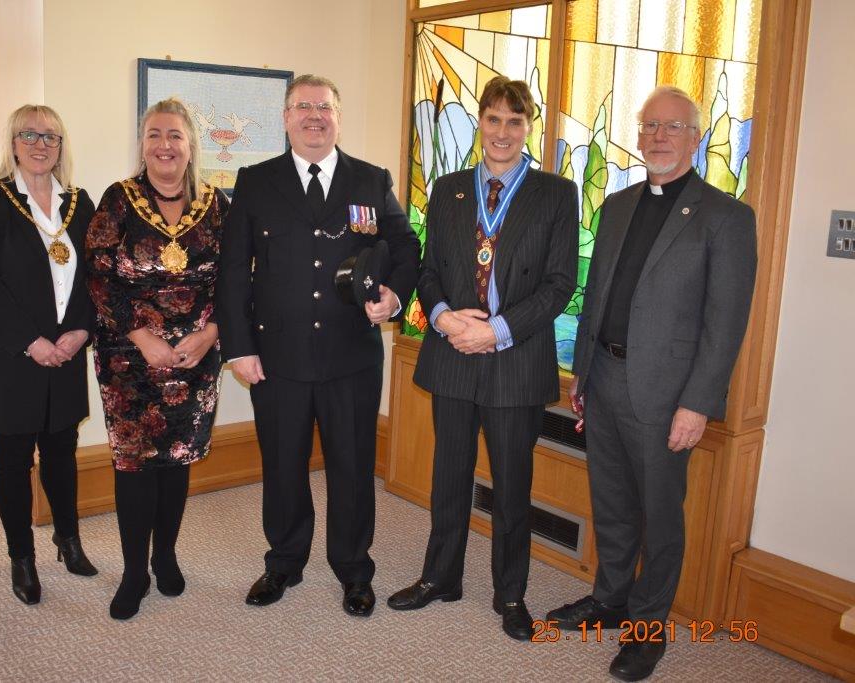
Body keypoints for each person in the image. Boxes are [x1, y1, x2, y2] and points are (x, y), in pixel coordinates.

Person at [545, 86, 757, 681]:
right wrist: (581, 375)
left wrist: (697, 404)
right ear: (638, 137)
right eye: (650, 126)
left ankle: (648, 625)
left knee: (660, 515)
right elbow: (598, 300)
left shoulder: (727, 217)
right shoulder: (616, 206)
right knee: (611, 503)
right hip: (605, 377)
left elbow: (726, 322)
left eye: (673, 127)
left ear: (696, 138)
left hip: (667, 397)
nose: (659, 137)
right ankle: (610, 600)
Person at [217, 74, 419, 617]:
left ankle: (354, 569)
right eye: (302, 107)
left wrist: (395, 296)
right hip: (276, 357)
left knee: (352, 467)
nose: (314, 116)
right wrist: (238, 346)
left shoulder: (371, 180)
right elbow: (234, 269)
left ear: (338, 116)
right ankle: (283, 561)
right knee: (282, 465)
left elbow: (405, 246)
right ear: (285, 118)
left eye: (324, 107)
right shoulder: (255, 181)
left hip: (350, 357)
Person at [386, 77, 578, 640]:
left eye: (514, 122)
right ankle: (439, 577)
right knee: (448, 475)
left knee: (512, 484)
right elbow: (427, 270)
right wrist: (443, 317)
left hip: (514, 357)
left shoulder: (555, 193)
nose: (502, 131)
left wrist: (496, 330)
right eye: (493, 119)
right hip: (452, 354)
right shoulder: (447, 190)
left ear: (528, 128)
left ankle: (510, 593)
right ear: (480, 123)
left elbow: (560, 282)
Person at [86, 97, 228, 621]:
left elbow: (238, 281)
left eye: (174, 135)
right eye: (153, 135)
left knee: (179, 460)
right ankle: (133, 571)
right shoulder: (118, 200)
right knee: (135, 462)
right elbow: (99, 275)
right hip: (129, 357)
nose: (164, 145)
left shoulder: (218, 205)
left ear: (191, 146)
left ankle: (165, 556)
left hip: (197, 358)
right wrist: (144, 337)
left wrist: (211, 334)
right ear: (142, 145)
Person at [0, 104, 98, 605]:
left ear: (62, 146)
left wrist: (81, 330)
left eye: (51, 136)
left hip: (66, 350)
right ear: (14, 142)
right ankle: (21, 558)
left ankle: (69, 540)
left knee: (62, 450)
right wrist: (31, 341)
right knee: (14, 457)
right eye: (30, 134)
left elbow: (95, 275)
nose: (41, 144)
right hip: (12, 353)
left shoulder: (79, 204)